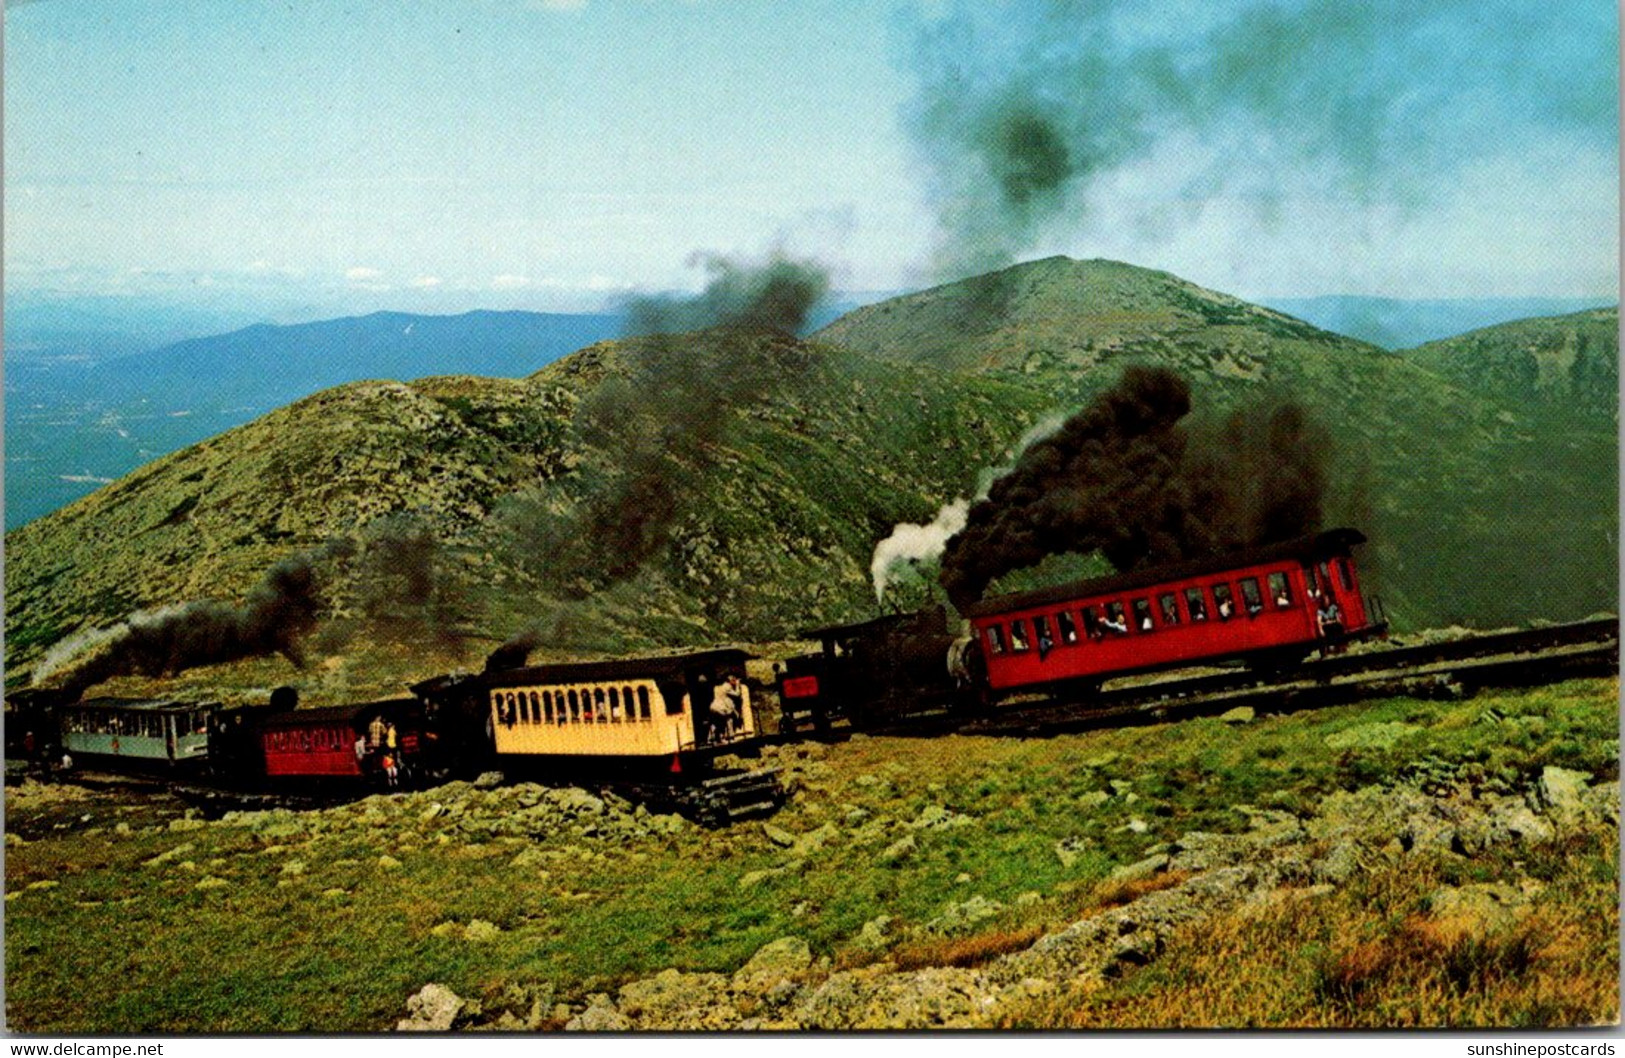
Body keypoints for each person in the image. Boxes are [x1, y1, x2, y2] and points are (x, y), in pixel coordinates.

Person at [710, 674, 745, 741]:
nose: (734, 681)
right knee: (729, 719)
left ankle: (714, 737)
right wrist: (737, 685)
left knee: (718, 721)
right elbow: (737, 694)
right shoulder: (726, 686)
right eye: (732, 680)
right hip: (720, 706)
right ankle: (730, 736)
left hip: (714, 706)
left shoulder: (716, 687)